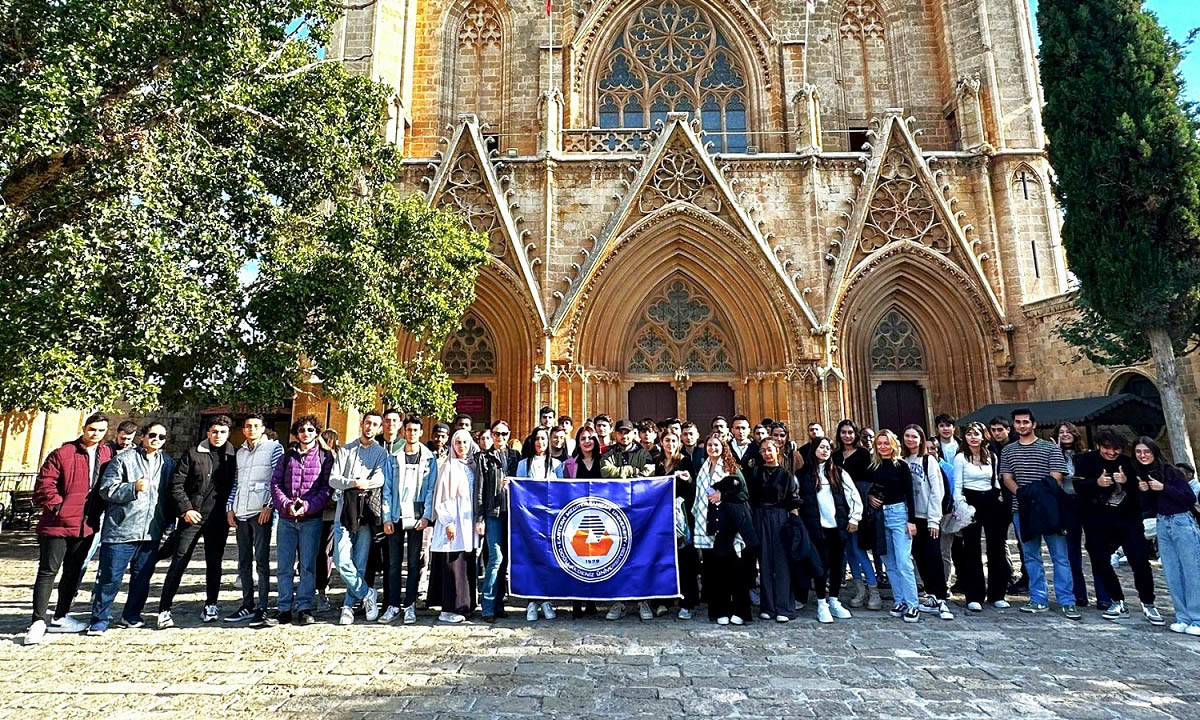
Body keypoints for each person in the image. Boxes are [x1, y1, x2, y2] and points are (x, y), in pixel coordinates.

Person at [25, 413, 113, 644]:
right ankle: (38, 620)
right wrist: (58, 508)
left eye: (101, 430)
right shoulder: (63, 453)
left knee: (73, 572)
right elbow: (45, 485)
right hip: (57, 524)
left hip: (86, 524)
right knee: (47, 572)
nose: (95, 434)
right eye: (92, 429)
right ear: (84, 428)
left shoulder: (106, 454)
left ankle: (61, 615)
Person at [87, 422, 175, 635]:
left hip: (151, 531)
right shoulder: (124, 459)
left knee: (142, 578)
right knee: (110, 578)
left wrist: (169, 523)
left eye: (161, 437)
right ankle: (99, 619)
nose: (156, 439)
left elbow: (169, 495)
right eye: (152, 435)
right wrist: (132, 487)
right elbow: (107, 490)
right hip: (122, 530)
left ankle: (132, 615)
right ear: (143, 436)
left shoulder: (168, 463)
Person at [155, 415, 237, 629]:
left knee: (214, 562)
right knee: (179, 560)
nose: (218, 436)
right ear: (208, 432)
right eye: (214, 431)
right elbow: (176, 484)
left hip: (218, 518)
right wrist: (186, 509)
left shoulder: (233, 456)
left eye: (222, 432)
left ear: (228, 434)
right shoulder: (193, 454)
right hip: (193, 516)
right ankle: (164, 609)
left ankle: (211, 604)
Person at [1074, 429, 1162, 625]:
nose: (1112, 453)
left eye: (1116, 449)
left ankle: (1148, 602)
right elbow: (1078, 485)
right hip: (1097, 520)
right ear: (1099, 446)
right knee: (1099, 560)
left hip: (1128, 519)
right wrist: (1096, 483)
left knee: (1140, 561)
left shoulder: (1129, 462)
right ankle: (1117, 600)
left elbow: (1141, 488)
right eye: (1107, 448)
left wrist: (1127, 481)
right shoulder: (1086, 461)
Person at [999, 408, 1076, 618]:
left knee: (1060, 556)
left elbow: (1057, 476)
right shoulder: (1008, 451)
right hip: (1022, 509)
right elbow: (1007, 478)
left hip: (1050, 508)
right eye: (1018, 422)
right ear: (1014, 425)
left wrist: (1033, 495)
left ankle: (1067, 600)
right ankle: (1038, 598)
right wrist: (1023, 496)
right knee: (1031, 556)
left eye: (1025, 422)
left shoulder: (1049, 448)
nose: (1022, 425)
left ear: (1033, 424)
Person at [271, 415, 334, 625]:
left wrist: (307, 506)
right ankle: (284, 607)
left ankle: (305, 606)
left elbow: (326, 489)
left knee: (307, 565)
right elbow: (276, 483)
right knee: (284, 566)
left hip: (311, 519)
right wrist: (287, 504)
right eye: (301, 430)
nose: (305, 433)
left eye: (309, 430)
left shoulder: (325, 457)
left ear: (316, 433)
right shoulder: (287, 456)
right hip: (287, 519)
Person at [1133, 437, 1200, 635]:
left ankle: (1196, 618)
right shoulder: (1142, 474)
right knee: (1172, 572)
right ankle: (1182, 617)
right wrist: (1144, 492)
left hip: (1181, 522)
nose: (1142, 455)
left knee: (1192, 571)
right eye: (1138, 452)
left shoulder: (1170, 471)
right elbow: (1149, 507)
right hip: (1162, 523)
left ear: (1154, 451)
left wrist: (1164, 488)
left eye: (1146, 451)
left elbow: (1188, 497)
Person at [330, 412, 389, 625]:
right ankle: (366, 593)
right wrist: (353, 483)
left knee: (361, 563)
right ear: (361, 424)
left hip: (366, 515)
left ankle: (348, 606)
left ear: (379, 429)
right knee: (341, 559)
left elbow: (381, 478)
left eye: (375, 425)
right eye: (368, 423)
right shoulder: (346, 450)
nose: (370, 427)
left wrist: (365, 483)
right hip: (344, 513)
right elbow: (333, 479)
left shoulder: (381, 453)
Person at [378, 413, 437, 625]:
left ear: (421, 433)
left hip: (417, 515)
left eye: (415, 430)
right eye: (408, 430)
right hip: (395, 514)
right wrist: (386, 517)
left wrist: (427, 516)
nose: (411, 433)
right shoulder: (393, 458)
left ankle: (410, 604)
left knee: (414, 562)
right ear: (404, 432)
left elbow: (431, 489)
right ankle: (393, 603)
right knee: (393, 563)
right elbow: (387, 490)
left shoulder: (430, 458)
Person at [226, 414, 283, 627]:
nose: (251, 429)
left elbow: (276, 479)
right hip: (241, 511)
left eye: (256, 426)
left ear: (263, 428)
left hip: (261, 511)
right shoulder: (240, 452)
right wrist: (229, 508)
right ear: (243, 429)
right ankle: (247, 603)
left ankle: (263, 605)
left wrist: (269, 505)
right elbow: (237, 482)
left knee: (262, 561)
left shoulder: (274, 448)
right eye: (248, 426)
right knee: (243, 561)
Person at [695, 434, 754, 625]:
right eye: (710, 445)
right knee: (714, 571)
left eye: (717, 445)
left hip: (728, 525)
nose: (713, 448)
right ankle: (720, 610)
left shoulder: (731, 468)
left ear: (723, 447)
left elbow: (743, 492)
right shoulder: (704, 468)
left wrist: (723, 494)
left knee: (734, 570)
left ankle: (740, 611)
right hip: (710, 524)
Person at [953, 422, 1011, 611]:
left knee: (997, 548)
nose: (973, 437)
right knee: (972, 549)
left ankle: (997, 594)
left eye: (976, 433)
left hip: (992, 501)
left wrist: (998, 499)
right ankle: (974, 595)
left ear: (983, 436)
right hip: (971, 501)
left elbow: (995, 481)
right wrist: (962, 505)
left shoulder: (991, 456)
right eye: (969, 434)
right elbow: (957, 485)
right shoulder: (961, 458)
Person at [805, 437, 863, 623]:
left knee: (838, 565)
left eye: (828, 448)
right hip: (816, 527)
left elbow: (853, 495)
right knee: (820, 566)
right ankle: (821, 603)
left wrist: (854, 518)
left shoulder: (838, 472)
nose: (825, 450)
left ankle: (834, 600)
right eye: (821, 447)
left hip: (837, 527)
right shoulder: (804, 474)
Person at [866, 430, 921, 623]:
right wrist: (870, 497)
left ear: (893, 445)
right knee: (888, 561)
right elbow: (867, 489)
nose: (883, 446)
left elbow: (909, 494)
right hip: (880, 516)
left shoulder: (901, 466)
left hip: (899, 513)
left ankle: (913, 604)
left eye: (886, 443)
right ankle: (900, 601)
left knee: (903, 561)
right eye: (879, 443)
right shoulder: (873, 466)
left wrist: (911, 520)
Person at [901, 426, 953, 620]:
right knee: (919, 556)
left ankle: (941, 598)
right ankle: (930, 595)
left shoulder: (928, 460)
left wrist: (934, 519)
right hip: (913, 518)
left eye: (914, 436)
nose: (910, 440)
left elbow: (936, 490)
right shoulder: (904, 461)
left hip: (928, 516)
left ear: (921, 439)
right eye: (907, 436)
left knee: (933, 556)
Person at [1056, 422, 1106, 609]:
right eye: (1061, 432)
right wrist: (1056, 452)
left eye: (1068, 431)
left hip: (1087, 503)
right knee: (1071, 552)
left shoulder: (1088, 456)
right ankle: (1079, 595)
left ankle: (1103, 596)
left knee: (1096, 549)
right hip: (1066, 504)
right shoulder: (1054, 456)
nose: (1065, 435)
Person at [516, 427, 564, 621]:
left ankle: (546, 598)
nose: (540, 443)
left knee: (547, 559)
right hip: (529, 519)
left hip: (550, 518)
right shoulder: (522, 465)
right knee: (530, 558)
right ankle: (531, 601)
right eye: (537, 439)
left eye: (544, 439)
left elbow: (562, 490)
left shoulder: (557, 465)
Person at [751, 436, 801, 622]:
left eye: (769, 449)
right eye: (762, 450)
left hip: (780, 518)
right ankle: (767, 606)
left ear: (777, 450)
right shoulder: (756, 472)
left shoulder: (786, 475)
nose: (766, 453)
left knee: (782, 563)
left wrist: (795, 525)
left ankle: (783, 607)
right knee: (764, 562)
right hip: (760, 517)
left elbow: (793, 500)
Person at [832, 420, 879, 610]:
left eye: (850, 432)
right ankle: (860, 590)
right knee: (849, 550)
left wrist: (870, 496)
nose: (847, 435)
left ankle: (873, 590)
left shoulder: (863, 454)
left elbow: (872, 478)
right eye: (843, 432)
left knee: (859, 548)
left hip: (859, 505)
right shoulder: (835, 455)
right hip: (840, 506)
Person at [431, 429, 476, 623]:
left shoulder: (472, 466)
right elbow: (442, 496)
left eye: (465, 443)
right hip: (452, 522)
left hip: (468, 521)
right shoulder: (448, 466)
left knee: (464, 563)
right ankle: (448, 609)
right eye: (458, 443)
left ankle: (464, 606)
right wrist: (448, 521)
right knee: (452, 564)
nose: (462, 447)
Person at [655, 429, 697, 619]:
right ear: (661, 442)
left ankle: (687, 603)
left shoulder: (685, 461)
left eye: (673, 440)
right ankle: (663, 600)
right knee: (663, 557)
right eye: (666, 440)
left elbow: (692, 487)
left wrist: (687, 481)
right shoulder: (656, 461)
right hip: (661, 516)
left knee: (685, 559)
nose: (670, 444)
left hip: (682, 517)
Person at [474, 428, 510, 622]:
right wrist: (479, 518)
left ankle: (499, 604)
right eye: (497, 434)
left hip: (512, 514)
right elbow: (479, 489)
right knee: (495, 558)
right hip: (493, 513)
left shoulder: (514, 457)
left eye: (504, 434)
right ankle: (487, 606)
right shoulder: (484, 459)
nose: (500, 437)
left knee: (504, 562)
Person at [988, 415, 1027, 595]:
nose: (996, 433)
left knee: (1023, 540)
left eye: (999, 429)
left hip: (1018, 497)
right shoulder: (988, 449)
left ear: (1008, 429)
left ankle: (1026, 578)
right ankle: (1006, 575)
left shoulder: (1019, 446)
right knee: (998, 541)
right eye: (993, 430)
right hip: (998, 500)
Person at [315, 428, 340, 612]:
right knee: (318, 552)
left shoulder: (335, 456)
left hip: (329, 512)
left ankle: (322, 587)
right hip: (312, 511)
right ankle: (317, 586)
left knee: (324, 551)